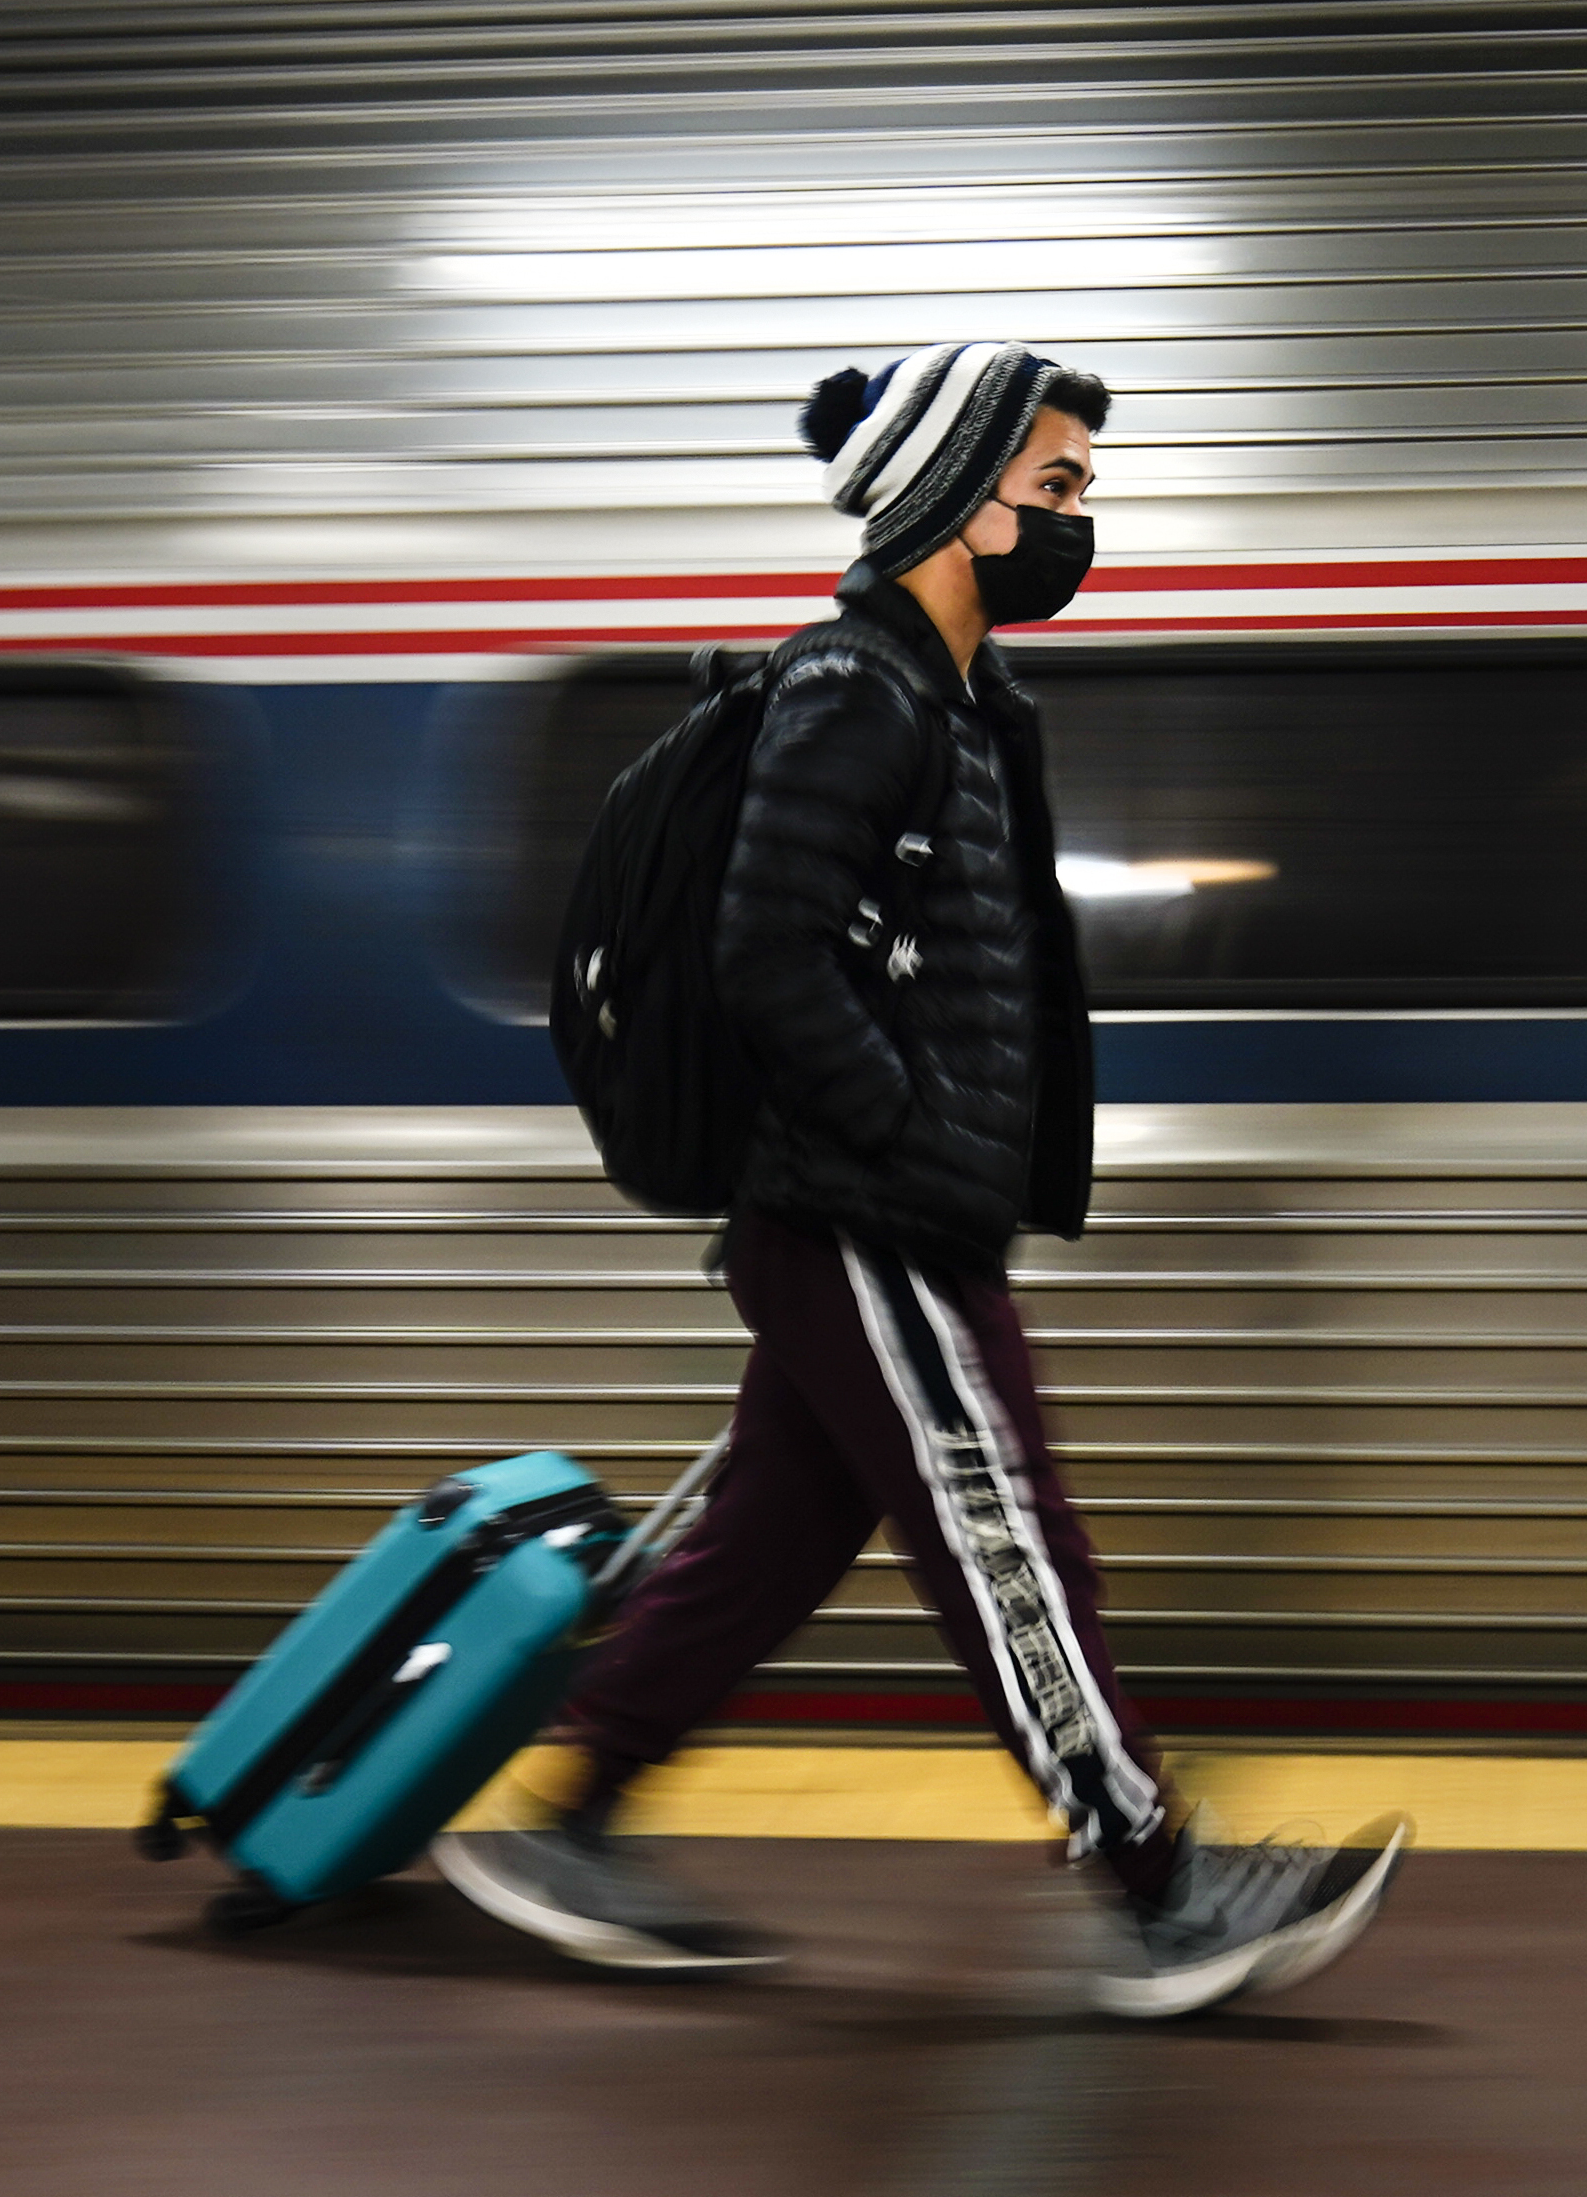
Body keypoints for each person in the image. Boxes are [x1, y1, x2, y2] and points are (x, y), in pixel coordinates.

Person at [439, 341, 1405, 2020]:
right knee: (1007, 1531)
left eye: (1081, 492)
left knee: (768, 1544)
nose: (1080, 524)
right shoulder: (856, 689)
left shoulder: (951, 708)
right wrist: (892, 1132)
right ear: (956, 505)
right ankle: (1163, 1887)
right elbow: (765, 949)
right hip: (863, 1210)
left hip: (881, 1204)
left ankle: (562, 1825)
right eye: (1056, 491)